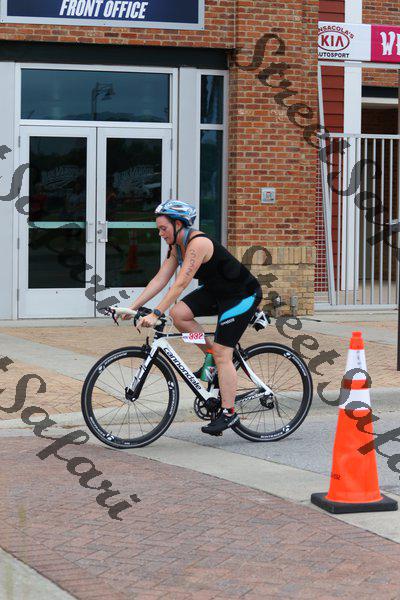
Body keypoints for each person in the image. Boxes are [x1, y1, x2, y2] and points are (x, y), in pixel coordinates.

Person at [123, 200, 262, 435]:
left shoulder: (198, 244)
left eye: (163, 228)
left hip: (241, 295)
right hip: (217, 292)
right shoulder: (177, 247)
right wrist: (133, 308)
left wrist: (156, 313)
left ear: (178, 224)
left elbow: (180, 284)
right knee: (179, 314)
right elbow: (160, 279)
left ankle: (229, 413)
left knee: (223, 353)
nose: (160, 233)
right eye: (159, 229)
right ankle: (211, 357)